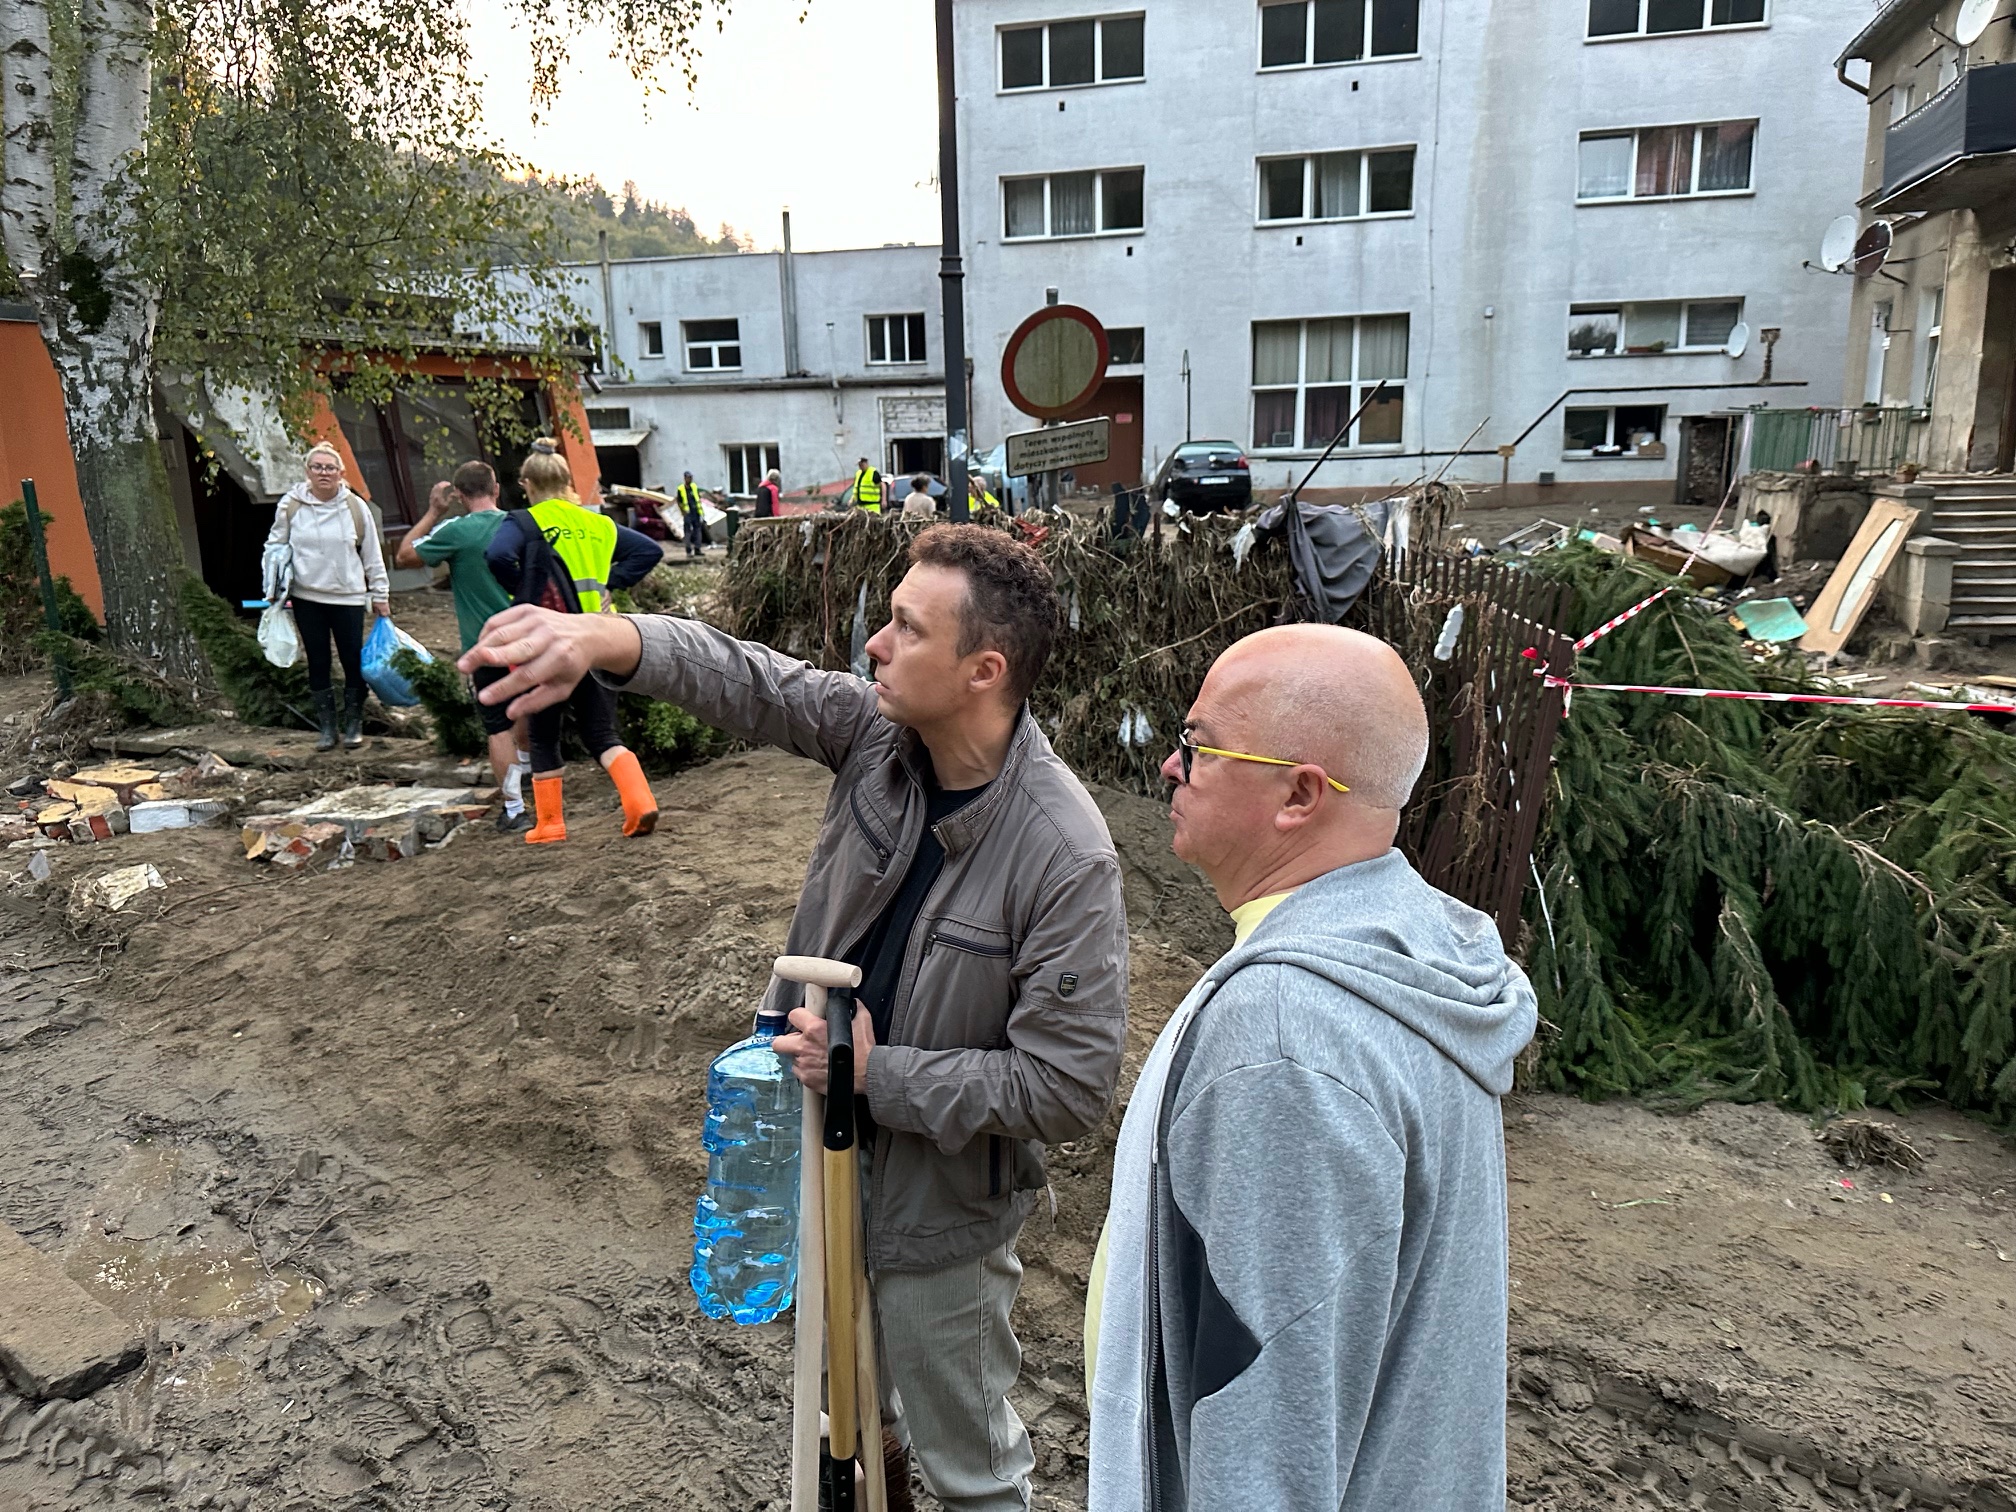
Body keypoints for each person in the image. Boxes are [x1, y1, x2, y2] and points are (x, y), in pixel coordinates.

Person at [460, 524, 1129, 1512]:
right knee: (847, 1431)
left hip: (940, 1221)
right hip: (818, 1170)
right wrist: (603, 639)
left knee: (973, 1473)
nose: (875, 646)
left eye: (907, 629)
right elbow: (750, 680)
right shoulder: (876, 739)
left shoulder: (1064, 856)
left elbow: (1068, 1088)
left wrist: (875, 1076)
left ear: (983, 670)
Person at [1085, 624, 1538, 1512]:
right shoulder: (1412, 954)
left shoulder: (1286, 1036)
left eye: (1198, 746)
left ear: (1298, 795)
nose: (1171, 768)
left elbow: (1267, 1415)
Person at [483, 439, 665, 845]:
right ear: (568, 482)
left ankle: (550, 824)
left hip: (548, 641)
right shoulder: (597, 523)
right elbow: (648, 551)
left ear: (527, 484)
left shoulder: (524, 522)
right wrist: (609, 582)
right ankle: (640, 803)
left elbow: (496, 556)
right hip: (599, 639)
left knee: (544, 733)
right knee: (602, 733)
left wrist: (524, 589)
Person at [396, 462, 534, 830]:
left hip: (485, 645)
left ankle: (515, 810)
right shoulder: (521, 525)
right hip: (529, 636)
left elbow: (405, 555)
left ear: (459, 495)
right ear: (496, 489)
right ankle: (531, 774)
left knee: (498, 727)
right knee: (527, 708)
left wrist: (433, 512)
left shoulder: (455, 531)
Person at [268, 441, 390, 752]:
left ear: (341, 473)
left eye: (330, 468)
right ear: (307, 472)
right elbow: (275, 547)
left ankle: (354, 724)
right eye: (318, 467)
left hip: (348, 596)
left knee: (352, 660)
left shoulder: (355, 507)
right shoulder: (291, 505)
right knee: (318, 660)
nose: (324, 473)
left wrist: (380, 592)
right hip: (307, 596)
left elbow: (372, 552)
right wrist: (272, 586)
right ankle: (327, 728)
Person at [675, 471, 707, 559]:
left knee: (698, 531)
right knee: (688, 532)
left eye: (691, 477)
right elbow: (679, 501)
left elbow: (698, 499)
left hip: (696, 512)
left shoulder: (694, 487)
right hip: (688, 513)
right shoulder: (681, 489)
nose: (690, 479)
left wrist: (701, 512)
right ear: (685, 478)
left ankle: (697, 549)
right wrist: (683, 511)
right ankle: (688, 551)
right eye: (688, 478)